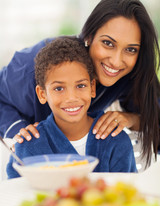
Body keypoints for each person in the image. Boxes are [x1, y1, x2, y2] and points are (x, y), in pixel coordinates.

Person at [0, 0, 159, 168]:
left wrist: (131, 118)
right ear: (89, 37)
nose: (116, 61)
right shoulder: (30, 69)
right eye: (108, 43)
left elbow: (156, 116)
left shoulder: (131, 73)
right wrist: (19, 132)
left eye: (131, 49)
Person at [6, 36, 137, 178]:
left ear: (92, 88)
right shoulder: (27, 147)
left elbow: (127, 192)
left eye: (81, 86)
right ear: (42, 94)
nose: (72, 98)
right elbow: (16, 194)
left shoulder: (117, 141)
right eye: (58, 89)